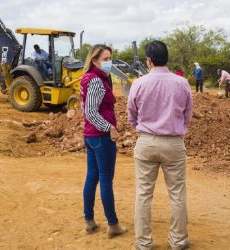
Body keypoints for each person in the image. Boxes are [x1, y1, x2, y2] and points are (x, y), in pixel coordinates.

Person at [128, 40, 193, 250]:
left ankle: (143, 243)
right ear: (167, 59)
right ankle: (178, 241)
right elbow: (188, 114)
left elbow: (132, 114)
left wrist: (144, 127)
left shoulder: (139, 83)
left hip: (146, 142)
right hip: (174, 143)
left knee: (143, 193)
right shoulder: (181, 83)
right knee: (177, 193)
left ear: (149, 61)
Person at [80, 44, 127, 238]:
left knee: (92, 177)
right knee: (105, 180)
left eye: (110, 58)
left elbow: (85, 109)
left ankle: (89, 221)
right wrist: (110, 128)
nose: (110, 62)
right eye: (106, 59)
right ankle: (113, 224)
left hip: (91, 136)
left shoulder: (91, 78)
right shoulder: (96, 82)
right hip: (101, 137)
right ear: (95, 61)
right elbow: (90, 111)